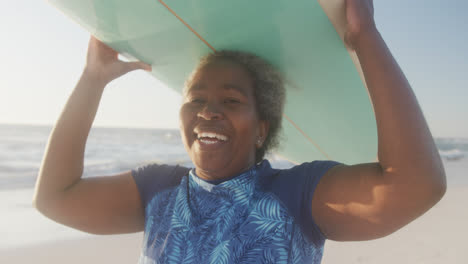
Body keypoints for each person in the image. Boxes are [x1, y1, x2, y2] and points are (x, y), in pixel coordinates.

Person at [33, 0, 446, 263]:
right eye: (195, 99)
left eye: (231, 101)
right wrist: (93, 78)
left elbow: (415, 185)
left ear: (262, 128)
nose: (208, 111)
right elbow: (55, 198)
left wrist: (364, 37)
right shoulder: (158, 190)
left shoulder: (296, 195)